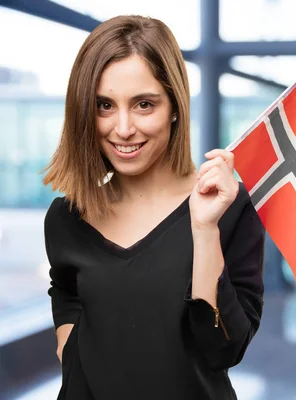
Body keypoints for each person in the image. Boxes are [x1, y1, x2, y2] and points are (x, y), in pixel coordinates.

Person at [42, 15, 265, 399]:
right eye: (104, 105)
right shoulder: (67, 217)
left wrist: (204, 229)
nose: (123, 128)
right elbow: (65, 289)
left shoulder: (228, 207)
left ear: (175, 106)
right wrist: (68, 346)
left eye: (144, 104)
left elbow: (224, 348)